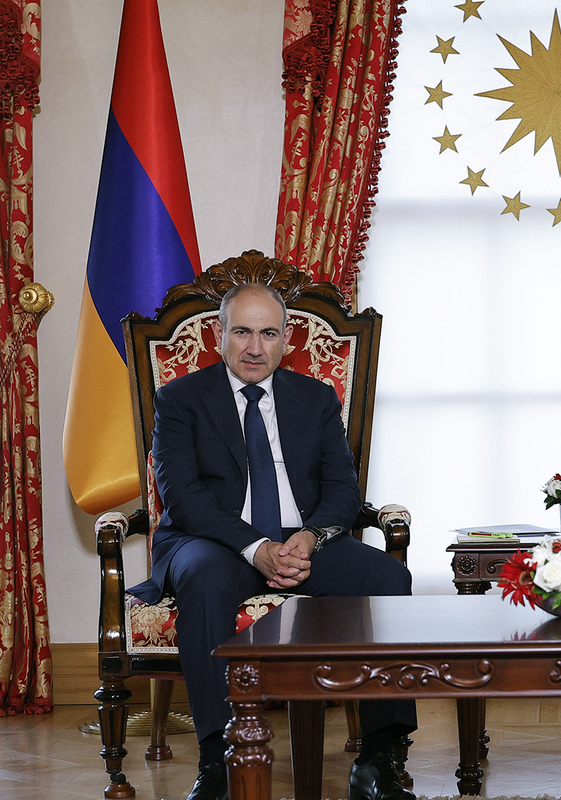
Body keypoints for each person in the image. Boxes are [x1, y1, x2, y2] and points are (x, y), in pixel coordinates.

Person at [130, 282, 416, 800]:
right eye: (242, 332)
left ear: (287, 339)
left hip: (300, 539)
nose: (255, 348)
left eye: (268, 334)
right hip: (213, 540)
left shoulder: (315, 398)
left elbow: (342, 490)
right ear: (219, 335)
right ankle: (218, 761)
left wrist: (309, 537)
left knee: (388, 576)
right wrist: (255, 548)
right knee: (204, 580)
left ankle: (378, 759)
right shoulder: (180, 399)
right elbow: (183, 497)